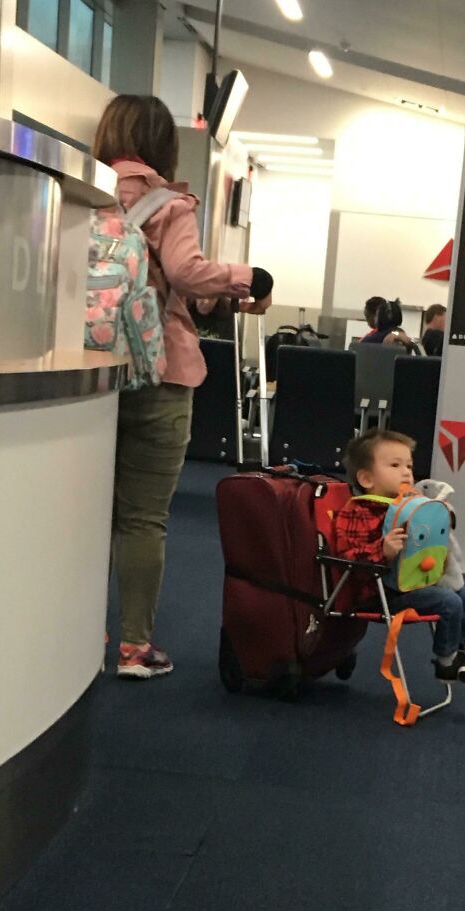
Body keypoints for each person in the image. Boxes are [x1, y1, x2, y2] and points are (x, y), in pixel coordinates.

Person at [93, 94, 273, 679]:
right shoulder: (169, 203)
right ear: (163, 144)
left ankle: (75, 628)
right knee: (142, 518)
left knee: (86, 511)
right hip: (160, 371)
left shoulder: (83, 185)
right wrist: (251, 277)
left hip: (91, 371)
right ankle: (134, 648)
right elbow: (190, 272)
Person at [334, 429, 465, 696]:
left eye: (409, 465)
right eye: (395, 465)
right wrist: (381, 551)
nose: (407, 472)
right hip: (381, 593)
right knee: (450, 602)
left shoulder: (410, 505)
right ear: (366, 478)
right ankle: (447, 662)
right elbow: (346, 557)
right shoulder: (358, 511)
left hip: (415, 582)